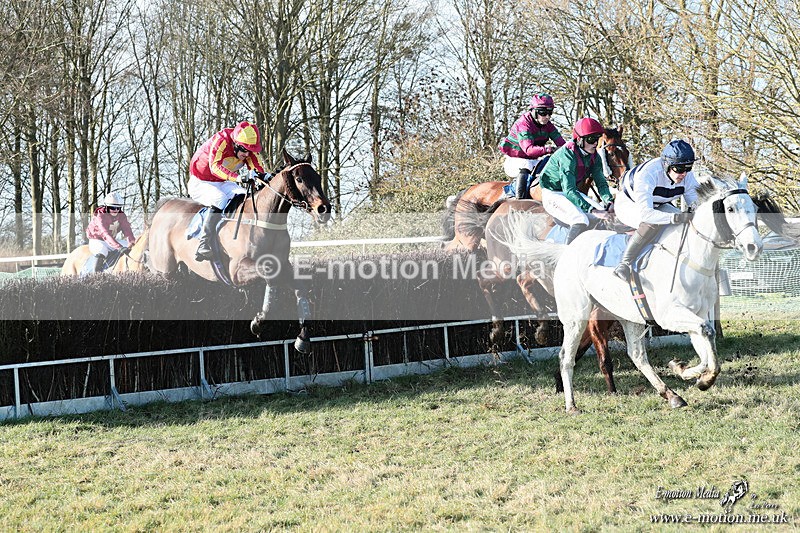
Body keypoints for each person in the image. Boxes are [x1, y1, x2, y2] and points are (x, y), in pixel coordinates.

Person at [612, 139, 699, 280]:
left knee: (686, 225)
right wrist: (675, 218)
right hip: (630, 204)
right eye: (679, 169)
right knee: (653, 222)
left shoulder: (687, 176)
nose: (684, 174)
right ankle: (624, 264)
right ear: (666, 165)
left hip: (659, 204)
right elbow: (647, 214)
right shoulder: (649, 173)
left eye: (688, 168)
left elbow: (696, 204)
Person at [189, 120, 267, 261]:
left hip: (222, 182)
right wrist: (238, 178)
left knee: (244, 197)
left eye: (250, 150)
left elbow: (257, 168)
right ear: (236, 144)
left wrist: (262, 178)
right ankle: (203, 243)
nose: (247, 154)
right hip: (200, 181)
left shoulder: (247, 151)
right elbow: (215, 167)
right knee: (220, 199)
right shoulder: (222, 140)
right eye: (244, 150)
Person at [538, 117, 614, 244]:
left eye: (597, 139)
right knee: (580, 219)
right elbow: (569, 191)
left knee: (605, 217)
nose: (595, 143)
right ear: (579, 140)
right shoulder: (567, 155)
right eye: (591, 139)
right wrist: (592, 210)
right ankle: (567, 255)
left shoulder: (595, 156)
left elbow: (601, 183)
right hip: (553, 194)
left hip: (572, 193)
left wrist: (609, 201)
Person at [498, 93, 566, 199]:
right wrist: (550, 149)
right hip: (515, 160)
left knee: (551, 162)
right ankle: (517, 198)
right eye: (543, 112)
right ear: (533, 111)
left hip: (533, 160)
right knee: (526, 165)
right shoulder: (524, 124)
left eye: (550, 112)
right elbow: (529, 150)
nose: (547, 116)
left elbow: (562, 144)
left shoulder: (548, 126)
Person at [85, 192, 137, 273]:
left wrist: (132, 241)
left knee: (130, 247)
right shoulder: (100, 216)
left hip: (111, 241)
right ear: (106, 206)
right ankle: (96, 275)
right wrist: (119, 247)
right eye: (112, 207)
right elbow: (105, 234)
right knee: (102, 250)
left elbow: (127, 230)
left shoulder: (122, 215)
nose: (116, 210)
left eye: (118, 208)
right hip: (97, 241)